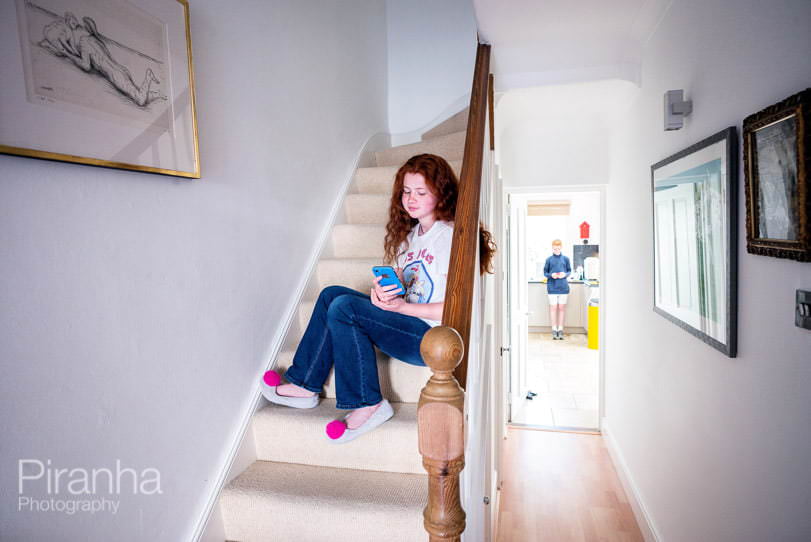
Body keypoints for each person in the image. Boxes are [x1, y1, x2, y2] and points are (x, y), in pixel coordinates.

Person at [260, 154, 495, 443]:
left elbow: (457, 308)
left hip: (433, 337)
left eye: (421, 192)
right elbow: (404, 290)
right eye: (406, 191)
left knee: (345, 307)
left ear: (442, 193)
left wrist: (402, 306)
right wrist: (384, 294)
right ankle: (305, 383)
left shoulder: (450, 238)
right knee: (331, 294)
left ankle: (368, 402)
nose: (411, 199)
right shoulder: (411, 237)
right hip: (406, 321)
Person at [544, 239, 571, 340]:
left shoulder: (566, 259)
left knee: (561, 308)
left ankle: (560, 329)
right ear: (552, 248)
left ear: (561, 247)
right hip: (552, 287)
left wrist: (565, 274)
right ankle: (554, 330)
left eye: (558, 248)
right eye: (555, 248)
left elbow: (569, 271)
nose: (556, 250)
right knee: (553, 308)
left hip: (563, 288)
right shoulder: (549, 260)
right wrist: (552, 275)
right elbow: (545, 273)